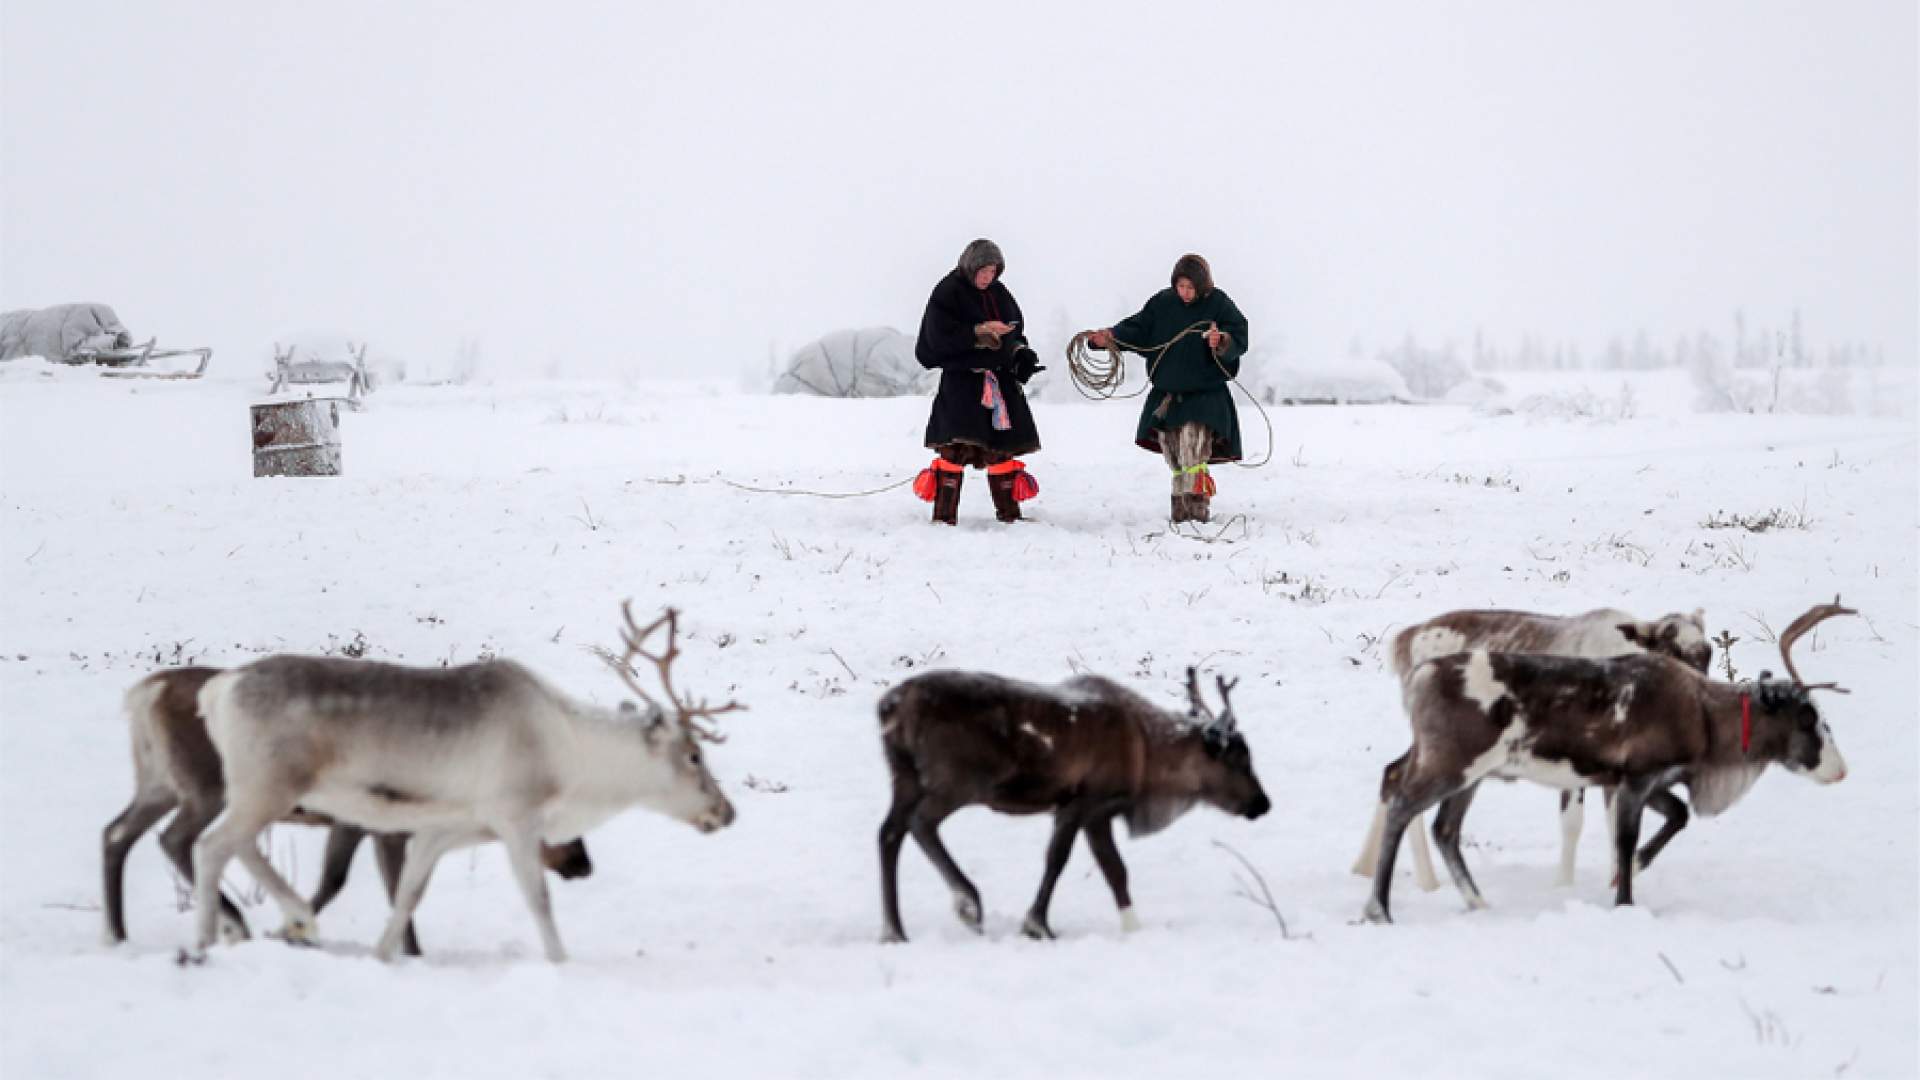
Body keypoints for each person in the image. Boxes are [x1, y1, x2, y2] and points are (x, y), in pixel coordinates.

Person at [1087, 253, 1248, 523]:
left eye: (1190, 287)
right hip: (1167, 395)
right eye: (1180, 286)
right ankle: (1180, 513)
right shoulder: (1162, 303)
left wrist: (1222, 340)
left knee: (1192, 450)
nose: (1185, 293)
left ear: (1202, 285)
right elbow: (1137, 329)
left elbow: (1239, 334)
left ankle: (1197, 513)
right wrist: (1109, 337)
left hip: (1205, 396)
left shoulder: (1218, 303)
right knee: (1174, 455)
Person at [912, 238, 1043, 525]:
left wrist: (1020, 353)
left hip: (1000, 382)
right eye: (983, 271)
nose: (988, 277)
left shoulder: (1000, 293)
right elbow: (935, 338)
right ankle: (944, 517)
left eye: (993, 271)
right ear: (970, 267)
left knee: (1002, 448)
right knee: (954, 448)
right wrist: (977, 332)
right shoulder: (948, 292)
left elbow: (1014, 331)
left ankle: (1009, 515)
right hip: (962, 384)